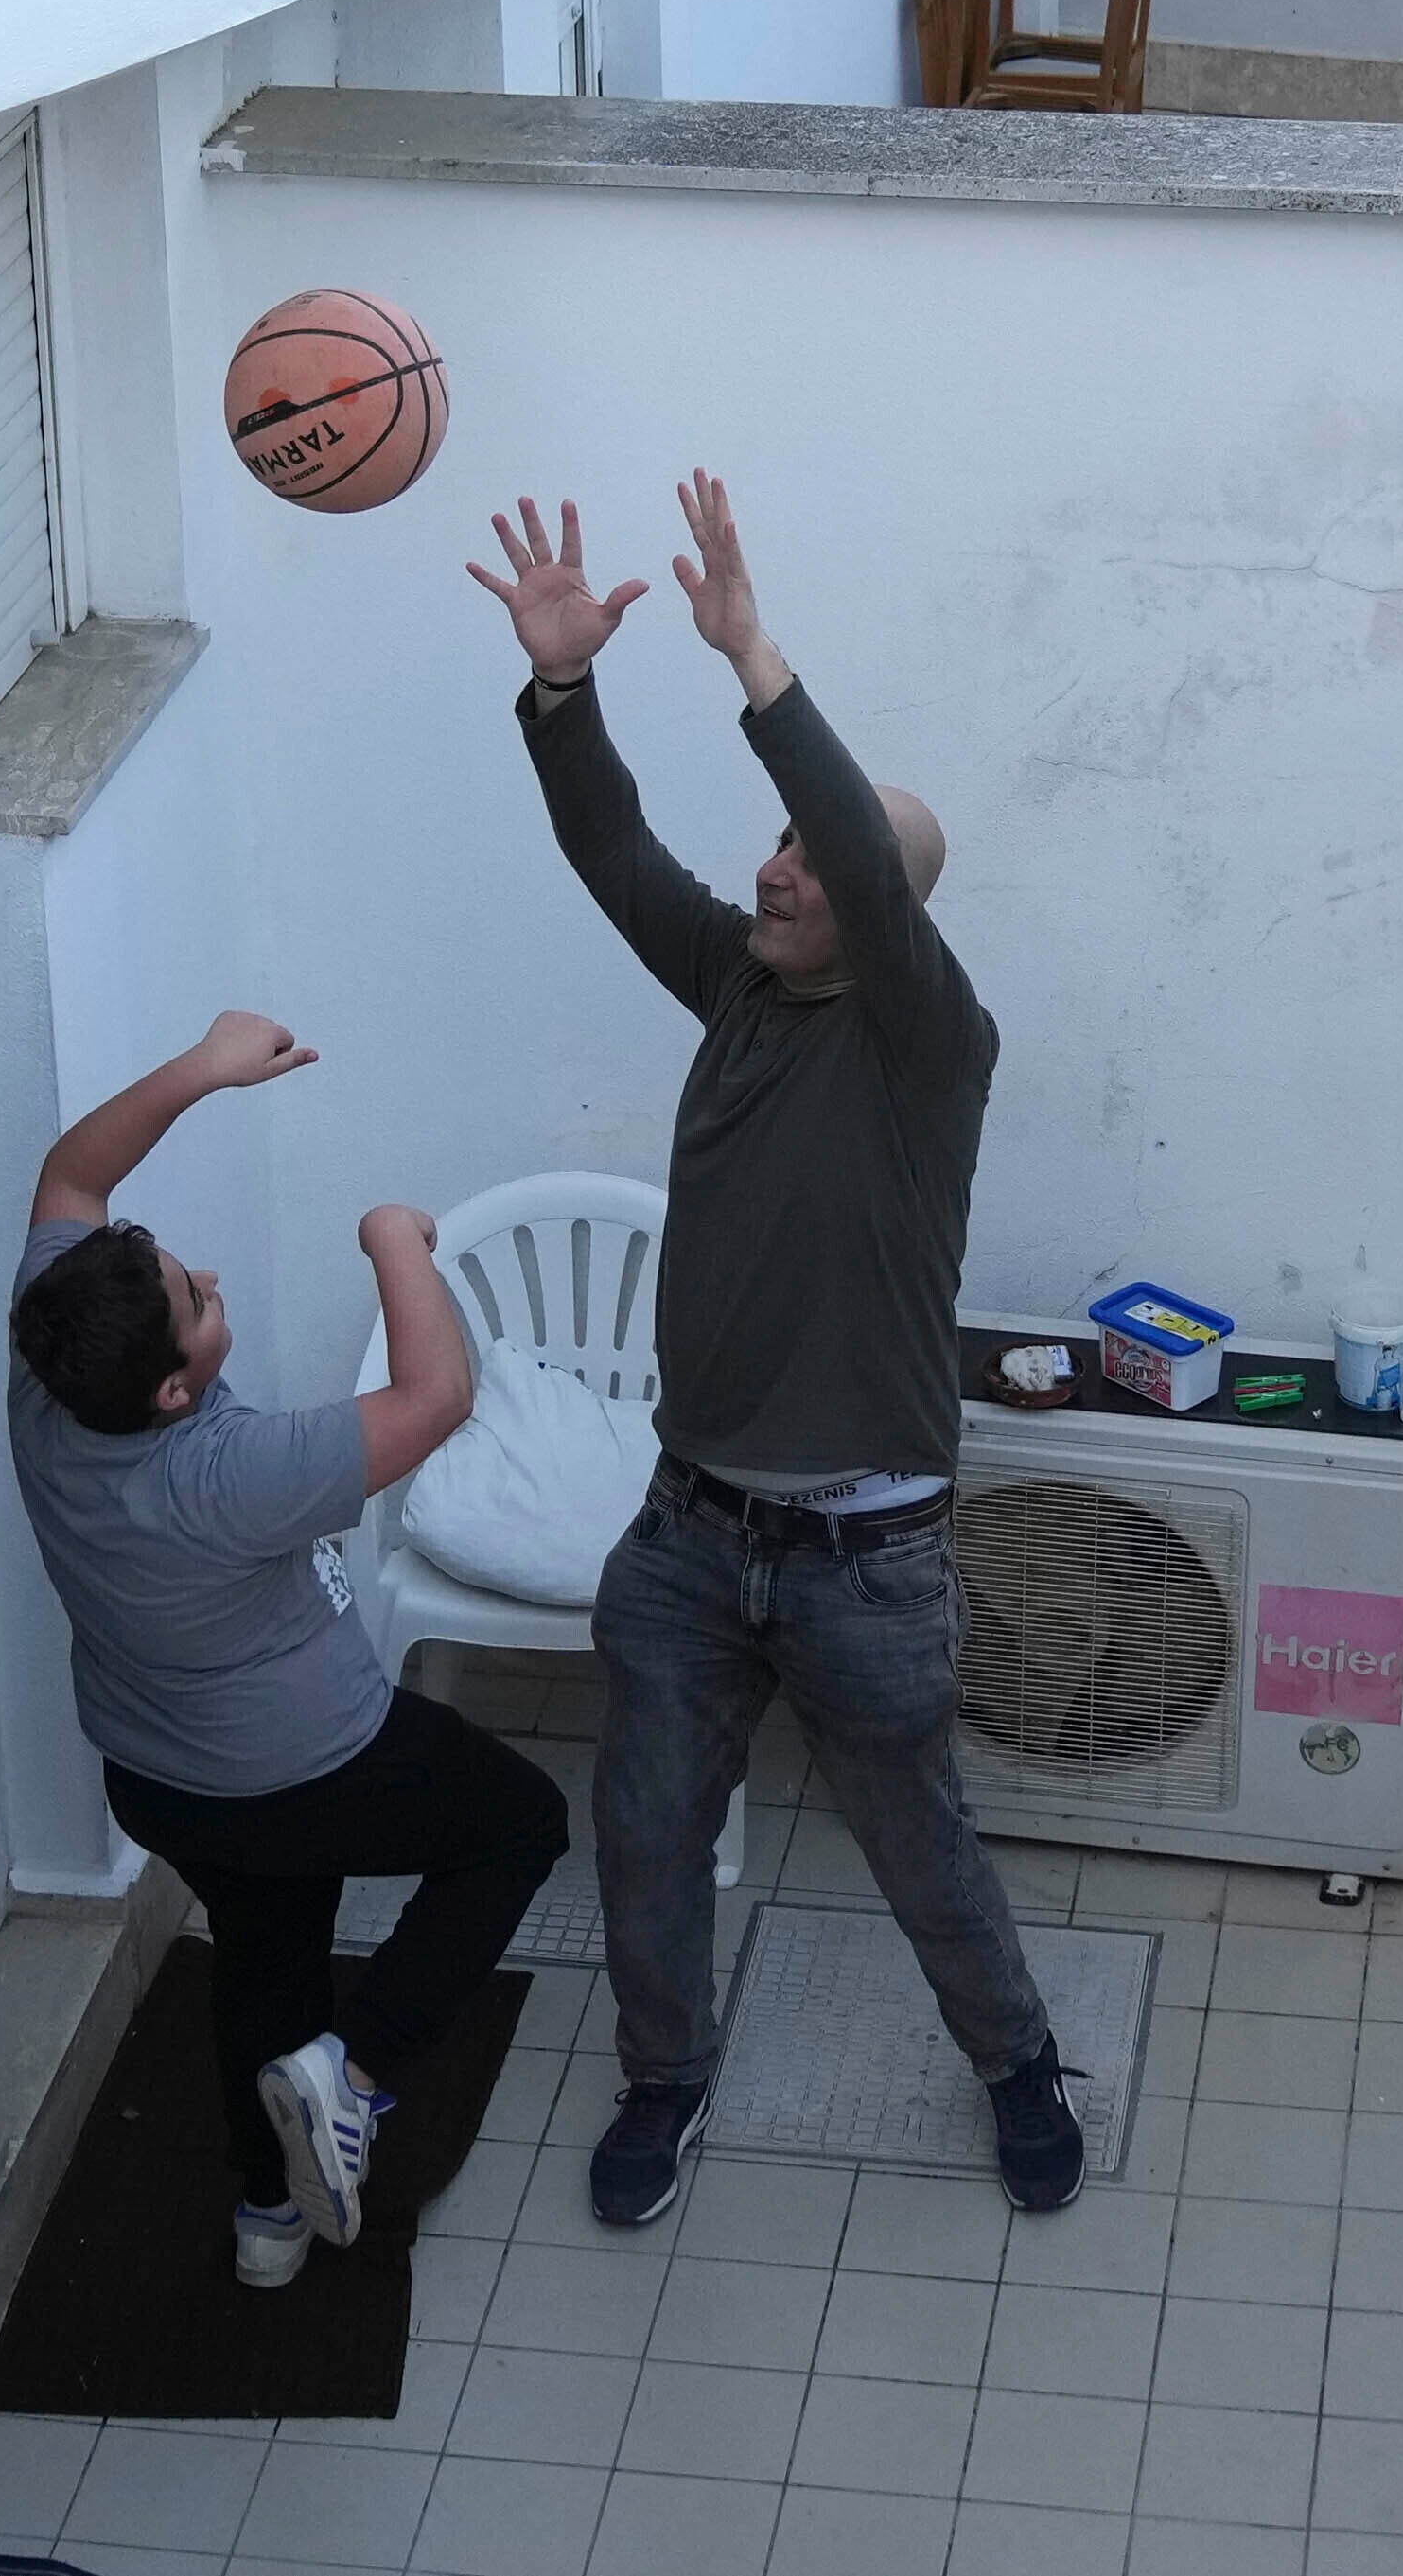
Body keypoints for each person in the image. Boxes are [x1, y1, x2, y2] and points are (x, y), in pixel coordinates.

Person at [469, 470, 1076, 2227]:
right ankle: (666, 2081)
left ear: (879, 896)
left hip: (864, 1559)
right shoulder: (737, 978)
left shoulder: (926, 1042)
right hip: (686, 1535)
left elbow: (858, 856)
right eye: (783, 850)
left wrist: (756, 661)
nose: (774, 866)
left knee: (918, 1846)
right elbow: (609, 849)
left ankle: (1020, 2064)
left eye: (810, 860)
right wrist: (563, 688)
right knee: (643, 1832)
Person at [2, 1008, 568, 2285]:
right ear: (174, 1387)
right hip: (303, 1764)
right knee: (517, 1826)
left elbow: (71, 1176)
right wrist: (392, 1238)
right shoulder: (227, 1470)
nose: (205, 1276)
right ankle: (355, 2069)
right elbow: (435, 1397)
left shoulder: (47, 1373)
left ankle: (269, 2215)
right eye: (197, 1299)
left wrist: (205, 1068)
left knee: (264, 1942)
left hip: (157, 1775)